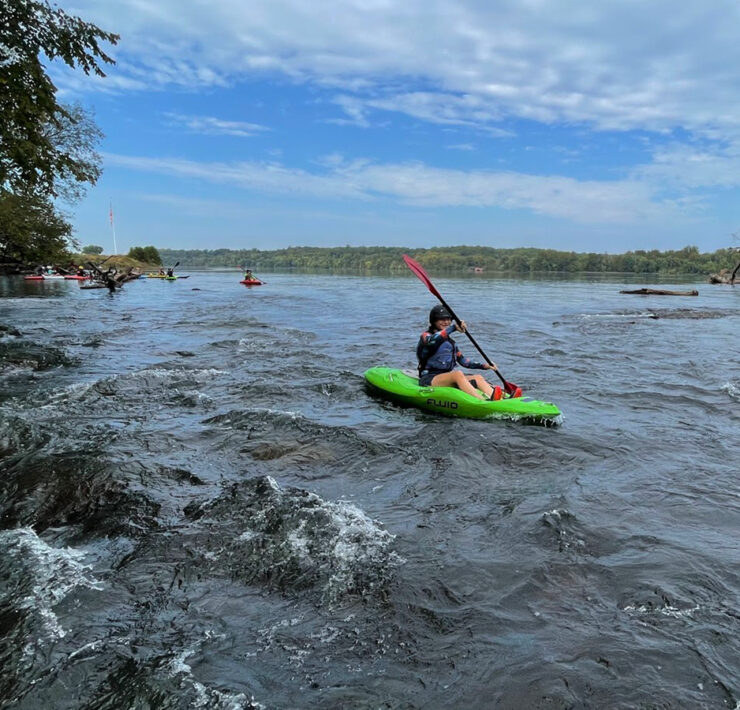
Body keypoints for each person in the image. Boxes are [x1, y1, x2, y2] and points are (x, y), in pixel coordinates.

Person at [416, 304, 502, 401]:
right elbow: (433, 340)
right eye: (442, 319)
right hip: (428, 378)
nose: (446, 322)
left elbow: (464, 361)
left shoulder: (450, 343)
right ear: (434, 321)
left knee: (478, 377)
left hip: (446, 377)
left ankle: (500, 401)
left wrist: (485, 366)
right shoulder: (426, 336)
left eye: (448, 319)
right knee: (457, 374)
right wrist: (454, 328)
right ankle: (482, 402)